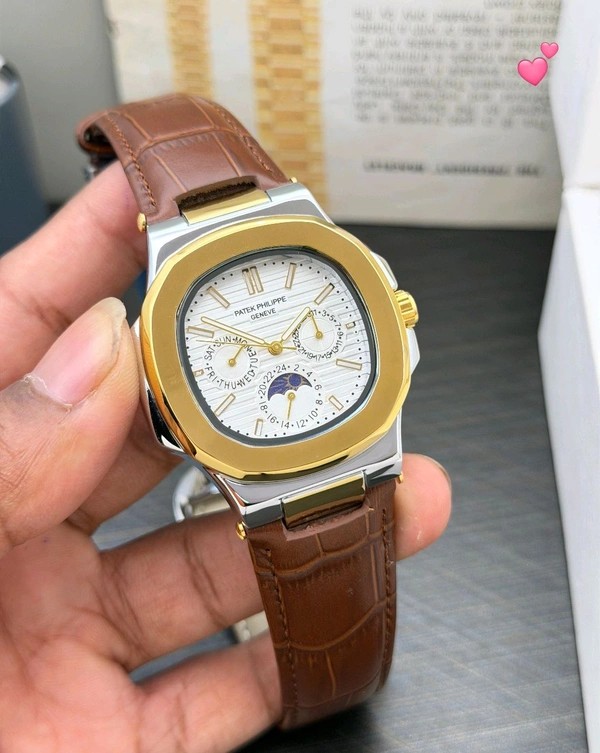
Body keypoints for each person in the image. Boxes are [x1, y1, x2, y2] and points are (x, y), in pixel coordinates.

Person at [0, 162, 452, 752]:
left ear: (396, 311)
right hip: (266, 477)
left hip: (359, 446)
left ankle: (344, 680)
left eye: (284, 342)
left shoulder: (303, 226)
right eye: (269, 346)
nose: (277, 350)